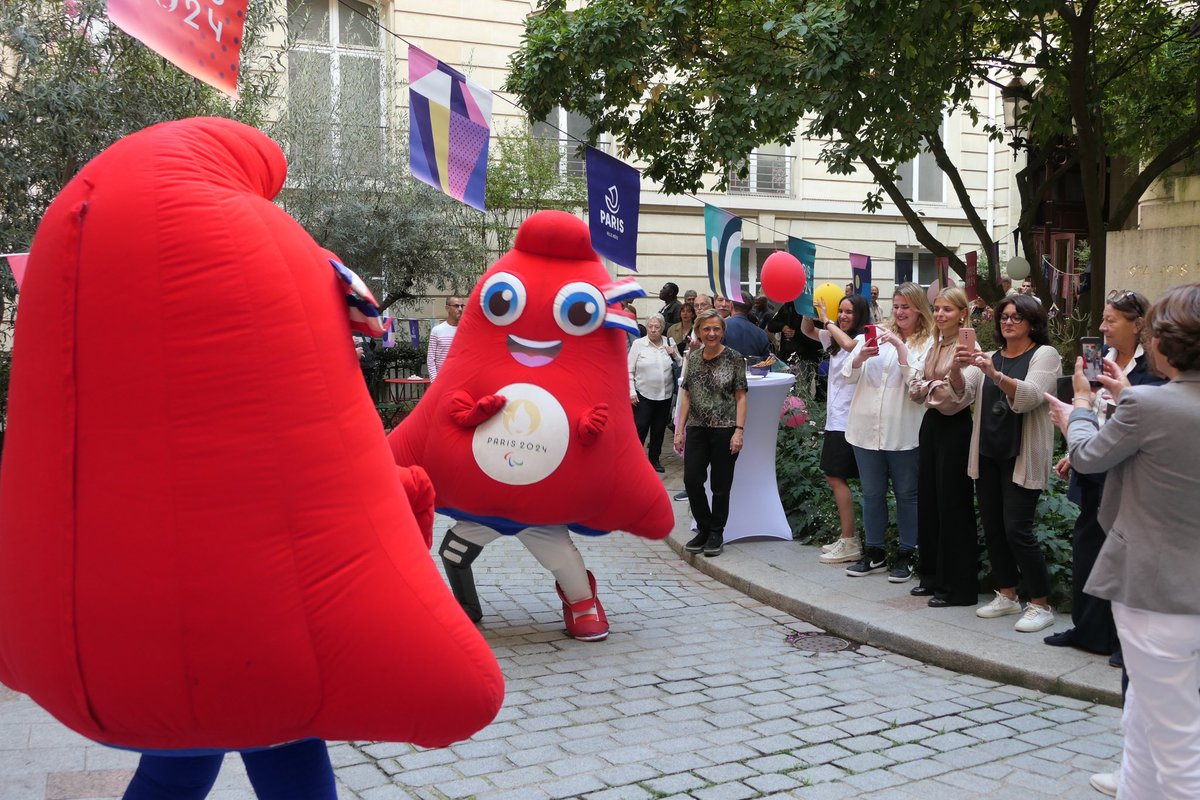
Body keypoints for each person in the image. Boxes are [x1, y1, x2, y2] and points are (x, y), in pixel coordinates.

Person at [1046, 282, 1200, 800]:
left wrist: (1081, 409)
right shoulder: (1148, 402)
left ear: (1163, 343)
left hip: (1157, 589)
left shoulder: (1150, 404)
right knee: (1142, 720)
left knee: (1178, 744)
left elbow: (1088, 457)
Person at [1047, 290, 1164, 663]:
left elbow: (1146, 422)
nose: (1102, 327)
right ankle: (1088, 629)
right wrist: (1073, 450)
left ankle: (1120, 640)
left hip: (1129, 475)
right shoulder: (1101, 362)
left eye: (1111, 320)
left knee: (1123, 557)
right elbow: (1095, 419)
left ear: (1138, 324)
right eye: (1103, 318)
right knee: (1086, 552)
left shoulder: (1155, 369)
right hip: (1094, 469)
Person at [964, 294, 1059, 632]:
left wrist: (994, 376)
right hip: (988, 453)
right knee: (993, 528)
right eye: (1004, 316)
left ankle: (1041, 603)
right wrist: (955, 364)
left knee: (1017, 530)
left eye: (1017, 317)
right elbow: (961, 393)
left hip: (1022, 455)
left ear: (1032, 323)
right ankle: (1007, 594)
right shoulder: (991, 357)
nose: (1008, 322)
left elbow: (1030, 397)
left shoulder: (1044, 355)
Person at [842, 282, 935, 582]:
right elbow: (847, 375)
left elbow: (917, 383)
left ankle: (908, 552)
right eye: (896, 306)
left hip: (903, 430)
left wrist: (899, 346)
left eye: (905, 306)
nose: (899, 311)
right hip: (865, 428)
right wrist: (860, 357)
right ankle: (875, 551)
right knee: (871, 494)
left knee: (907, 495)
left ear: (919, 308)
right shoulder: (875, 332)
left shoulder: (929, 342)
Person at [907, 287, 981, 606]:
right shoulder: (934, 346)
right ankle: (932, 575)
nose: (939, 315)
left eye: (947, 310)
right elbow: (912, 388)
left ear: (962, 314)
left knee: (952, 504)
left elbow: (955, 399)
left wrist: (932, 387)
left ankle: (958, 587)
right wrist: (934, 387)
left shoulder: (970, 349)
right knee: (930, 501)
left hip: (955, 428)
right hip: (932, 427)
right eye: (936, 309)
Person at [801, 294, 869, 565]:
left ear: (860, 315)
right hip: (835, 419)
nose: (843, 316)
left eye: (849, 312)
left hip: (849, 420)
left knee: (836, 477)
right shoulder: (833, 338)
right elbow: (807, 331)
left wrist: (828, 320)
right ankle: (848, 537)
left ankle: (851, 540)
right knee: (835, 476)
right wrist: (809, 308)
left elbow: (850, 344)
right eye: (841, 311)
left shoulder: (862, 339)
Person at [675, 309, 748, 558]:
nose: (712, 333)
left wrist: (739, 431)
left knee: (720, 485)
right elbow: (686, 396)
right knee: (692, 481)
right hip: (696, 428)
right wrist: (679, 430)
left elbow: (741, 397)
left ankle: (717, 532)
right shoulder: (693, 359)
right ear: (698, 331)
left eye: (716, 328)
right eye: (706, 328)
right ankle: (704, 528)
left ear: (723, 332)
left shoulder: (735, 359)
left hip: (725, 429)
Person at [629, 313, 682, 472]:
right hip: (643, 393)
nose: (653, 330)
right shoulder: (639, 344)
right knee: (641, 427)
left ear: (662, 328)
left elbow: (680, 363)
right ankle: (635, 460)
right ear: (647, 327)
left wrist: (673, 352)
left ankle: (654, 459)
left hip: (664, 394)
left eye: (657, 327)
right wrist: (631, 391)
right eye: (650, 327)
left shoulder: (669, 341)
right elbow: (629, 370)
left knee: (659, 429)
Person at [427, 295, 464, 380]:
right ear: (447, 308)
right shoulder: (437, 330)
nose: (460, 309)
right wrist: (435, 382)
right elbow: (431, 359)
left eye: (462, 306)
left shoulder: (466, 331)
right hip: (442, 382)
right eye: (456, 306)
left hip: (461, 382)